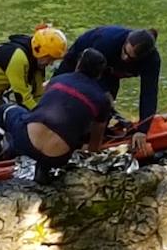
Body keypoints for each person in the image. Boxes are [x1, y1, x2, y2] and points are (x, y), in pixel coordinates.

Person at [0, 48, 113, 186]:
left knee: (5, 111)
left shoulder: (58, 80)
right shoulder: (103, 99)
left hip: (27, 143)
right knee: (64, 128)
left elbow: (41, 110)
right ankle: (42, 174)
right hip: (57, 157)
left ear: (79, 64)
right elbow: (95, 145)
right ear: (99, 74)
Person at [54, 26, 160, 154]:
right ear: (125, 41)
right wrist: (103, 92)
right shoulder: (107, 41)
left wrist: (142, 130)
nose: (126, 58)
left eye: (131, 58)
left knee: (104, 110)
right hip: (84, 58)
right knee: (66, 97)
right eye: (125, 52)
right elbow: (89, 77)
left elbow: (149, 93)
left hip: (111, 72)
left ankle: (89, 143)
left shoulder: (152, 61)